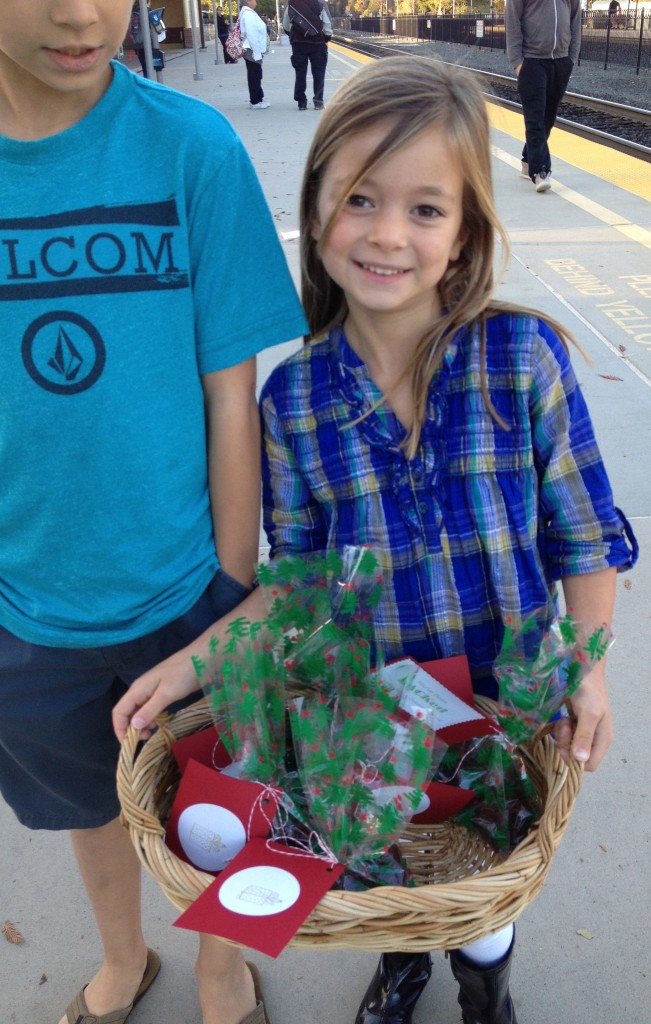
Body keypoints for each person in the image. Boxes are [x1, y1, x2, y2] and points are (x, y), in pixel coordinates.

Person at [115, 56, 637, 1024]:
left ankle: (486, 981)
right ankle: (402, 961)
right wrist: (189, 664)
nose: (388, 234)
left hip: (508, 702)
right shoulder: (296, 400)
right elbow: (301, 585)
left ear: (467, 230)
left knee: (482, 879)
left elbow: (584, 533)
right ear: (315, 210)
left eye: (426, 209)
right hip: (374, 711)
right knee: (391, 850)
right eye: (360, 198)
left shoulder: (525, 359)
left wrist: (588, 667)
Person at [0, 3, 307, 1024]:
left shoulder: (191, 149)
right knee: (88, 804)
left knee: (227, 811)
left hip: (189, 591)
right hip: (27, 616)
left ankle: (225, 974)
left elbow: (231, 393)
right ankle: (124, 958)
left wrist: (228, 594)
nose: (82, 13)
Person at [506, 0, 582, 193]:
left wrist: (572, 58)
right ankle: (540, 171)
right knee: (535, 118)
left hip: (562, 61)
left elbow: (575, 21)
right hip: (532, 61)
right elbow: (513, 22)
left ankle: (527, 160)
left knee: (548, 117)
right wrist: (517, 62)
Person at [283, 0, 333, 111]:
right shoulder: (320, 4)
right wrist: (326, 37)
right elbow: (327, 24)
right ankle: (318, 102)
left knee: (300, 73)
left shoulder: (291, 4)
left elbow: (286, 24)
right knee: (319, 73)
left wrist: (293, 34)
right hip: (318, 43)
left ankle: (301, 102)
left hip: (298, 44)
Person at [239, 0, 269, 109]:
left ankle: (259, 97)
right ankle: (255, 101)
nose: (256, 1)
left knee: (257, 74)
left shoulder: (249, 13)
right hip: (252, 49)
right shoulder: (248, 14)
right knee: (254, 75)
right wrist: (257, 53)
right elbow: (252, 34)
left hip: (253, 49)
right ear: (247, 1)